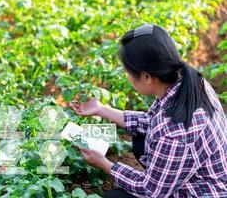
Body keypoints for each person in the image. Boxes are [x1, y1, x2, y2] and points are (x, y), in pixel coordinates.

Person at [69, 24, 227, 198]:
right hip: (204, 173)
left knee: (115, 197)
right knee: (141, 141)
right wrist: (100, 109)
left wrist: (103, 163)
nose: (127, 76)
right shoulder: (187, 80)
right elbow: (150, 121)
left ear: (146, 77)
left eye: (127, 72)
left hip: (205, 192)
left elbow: (151, 191)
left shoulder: (174, 132)